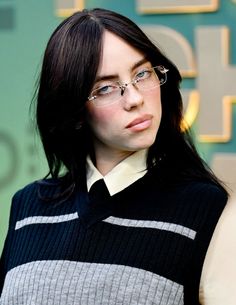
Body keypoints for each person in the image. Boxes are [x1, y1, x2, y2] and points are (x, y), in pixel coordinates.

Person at [0, 7, 233, 305]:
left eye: (142, 74)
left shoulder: (207, 207)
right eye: (107, 88)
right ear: (75, 112)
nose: (135, 99)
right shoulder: (28, 206)